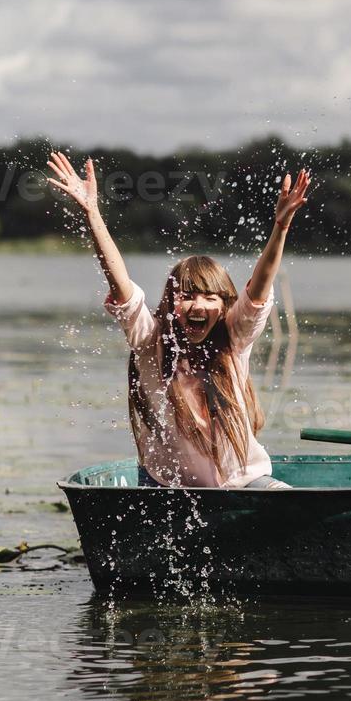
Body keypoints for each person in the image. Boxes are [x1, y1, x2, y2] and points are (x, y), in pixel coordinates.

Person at [46, 150, 310, 488]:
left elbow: (259, 288)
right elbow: (122, 287)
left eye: (209, 297)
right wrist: (92, 213)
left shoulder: (235, 339)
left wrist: (281, 226)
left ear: (225, 306)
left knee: (289, 501)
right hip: (169, 490)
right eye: (185, 296)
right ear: (170, 304)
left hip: (244, 484)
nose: (197, 305)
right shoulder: (150, 342)